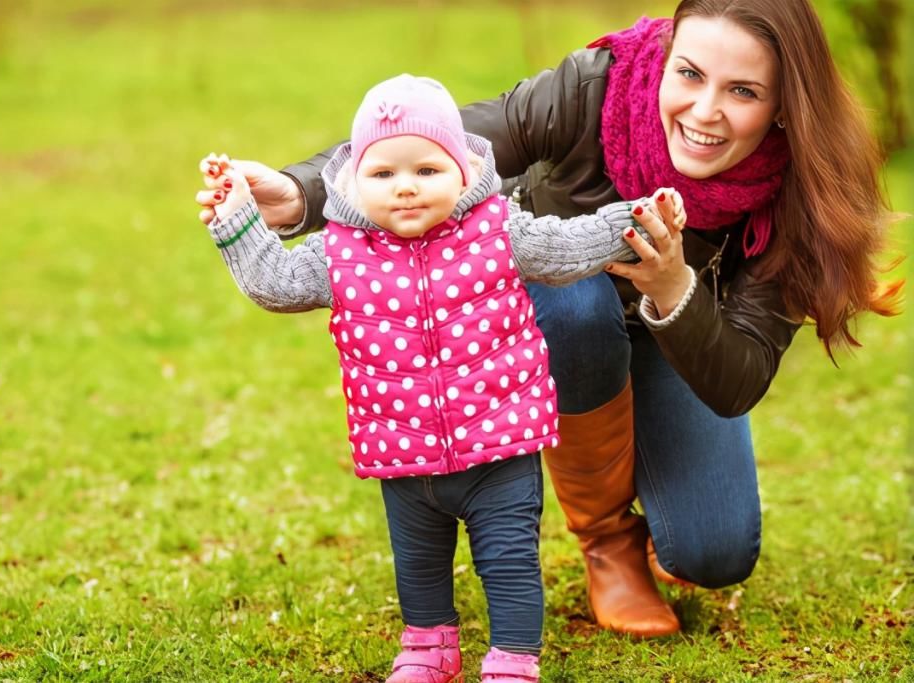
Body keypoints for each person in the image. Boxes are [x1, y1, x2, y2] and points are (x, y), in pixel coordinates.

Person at [196, 0, 902, 639]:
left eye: (742, 91)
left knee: (714, 553)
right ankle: (607, 540)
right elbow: (450, 142)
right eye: (689, 74)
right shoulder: (599, 86)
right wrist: (298, 193)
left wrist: (675, 285)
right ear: (665, 57)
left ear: (784, 106)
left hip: (680, 333)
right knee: (572, 299)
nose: (705, 110)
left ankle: (665, 499)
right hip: (559, 313)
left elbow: (738, 378)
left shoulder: (801, 194)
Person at [196, 74, 681, 681]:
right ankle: (429, 646)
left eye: (427, 170)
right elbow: (273, 281)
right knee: (418, 564)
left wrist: (636, 219)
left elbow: (566, 247)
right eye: (384, 175)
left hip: (499, 450)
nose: (405, 189)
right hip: (402, 453)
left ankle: (512, 658)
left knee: (507, 563)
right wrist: (236, 215)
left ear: (463, 170)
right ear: (353, 182)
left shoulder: (499, 230)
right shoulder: (339, 253)